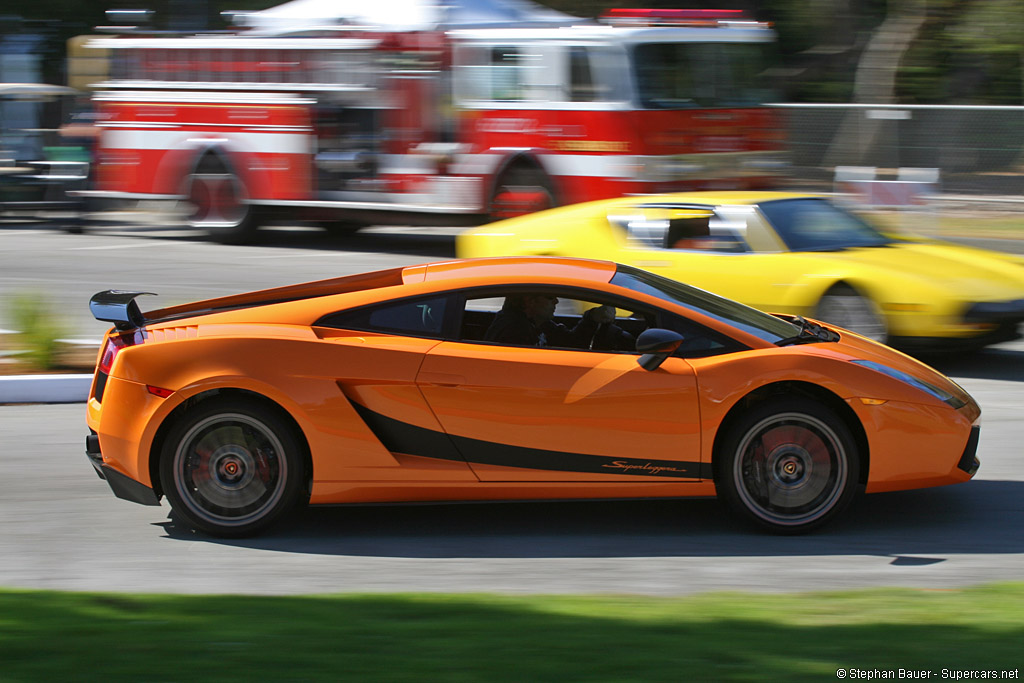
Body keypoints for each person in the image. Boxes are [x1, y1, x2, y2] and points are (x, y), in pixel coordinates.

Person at [484, 293, 633, 350]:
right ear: (529, 300)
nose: (556, 301)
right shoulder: (514, 331)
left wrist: (592, 318)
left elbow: (572, 342)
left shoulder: (536, 322)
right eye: (550, 297)